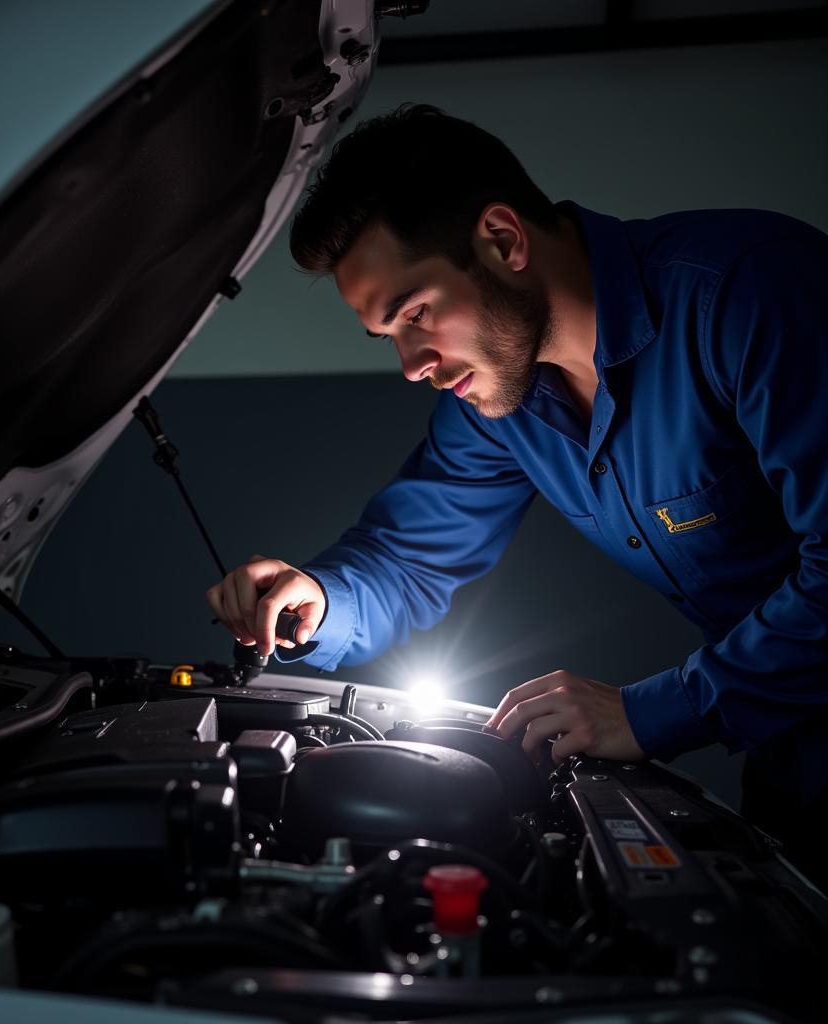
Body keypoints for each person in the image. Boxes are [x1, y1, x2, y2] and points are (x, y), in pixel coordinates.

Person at [205, 104, 828, 883]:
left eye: (417, 314)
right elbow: (408, 558)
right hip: (796, 769)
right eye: (388, 336)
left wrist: (653, 710)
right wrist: (322, 599)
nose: (411, 364)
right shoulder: (500, 402)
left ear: (503, 241)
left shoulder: (754, 292)